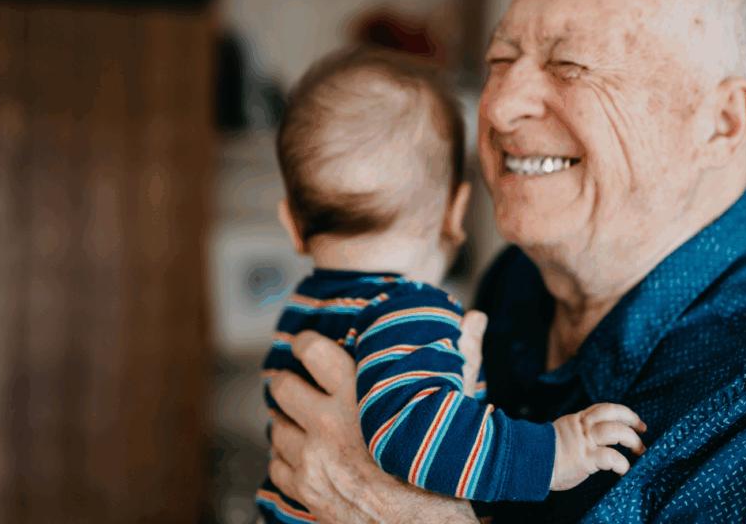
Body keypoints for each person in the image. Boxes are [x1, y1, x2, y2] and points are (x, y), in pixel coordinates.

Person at [265, 0, 746, 521]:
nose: (501, 105)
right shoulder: (517, 284)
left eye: (570, 63)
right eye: (499, 57)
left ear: (720, 121)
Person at [257, 47, 647, 523]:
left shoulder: (300, 312)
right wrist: (555, 452)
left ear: (292, 225)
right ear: (455, 213)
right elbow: (414, 435)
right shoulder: (408, 310)